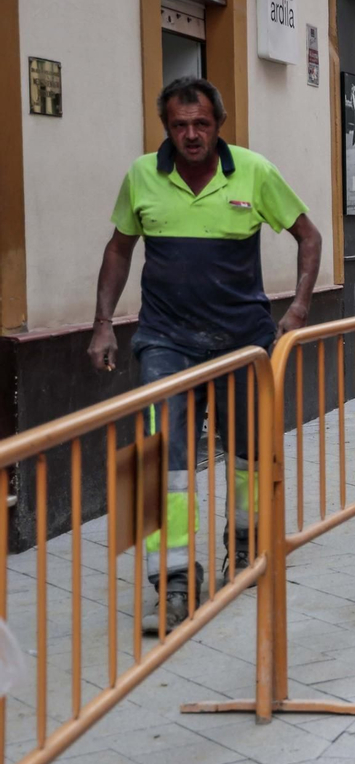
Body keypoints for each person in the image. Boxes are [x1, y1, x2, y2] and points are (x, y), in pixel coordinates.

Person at [88, 76, 322, 632]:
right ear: (166, 128)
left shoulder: (254, 172)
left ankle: (245, 547)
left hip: (242, 342)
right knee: (159, 462)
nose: (191, 135)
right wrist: (102, 325)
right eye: (179, 125)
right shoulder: (142, 176)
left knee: (246, 457)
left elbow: (308, 237)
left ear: (218, 125)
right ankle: (171, 582)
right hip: (165, 342)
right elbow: (119, 249)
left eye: (201, 124)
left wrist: (298, 310)